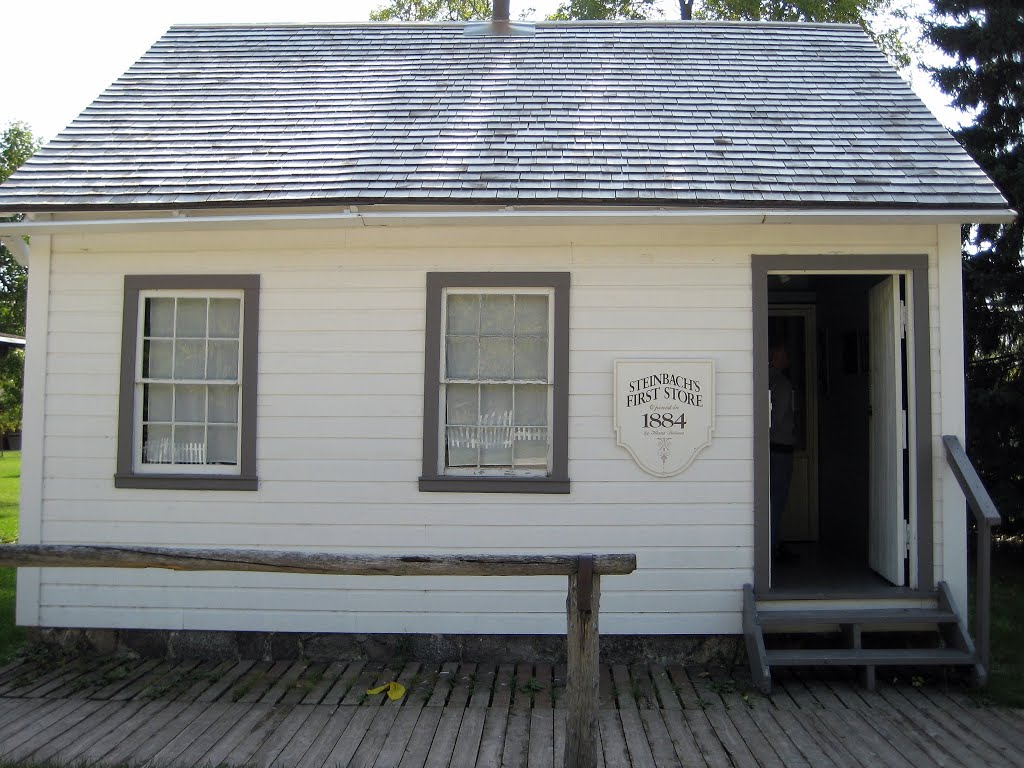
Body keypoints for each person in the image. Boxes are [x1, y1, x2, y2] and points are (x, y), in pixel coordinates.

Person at [769, 341, 797, 563]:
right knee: (777, 499)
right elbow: (776, 418)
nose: (787, 359)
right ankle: (772, 546)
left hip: (772, 448)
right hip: (779, 449)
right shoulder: (781, 383)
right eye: (784, 354)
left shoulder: (768, 380)